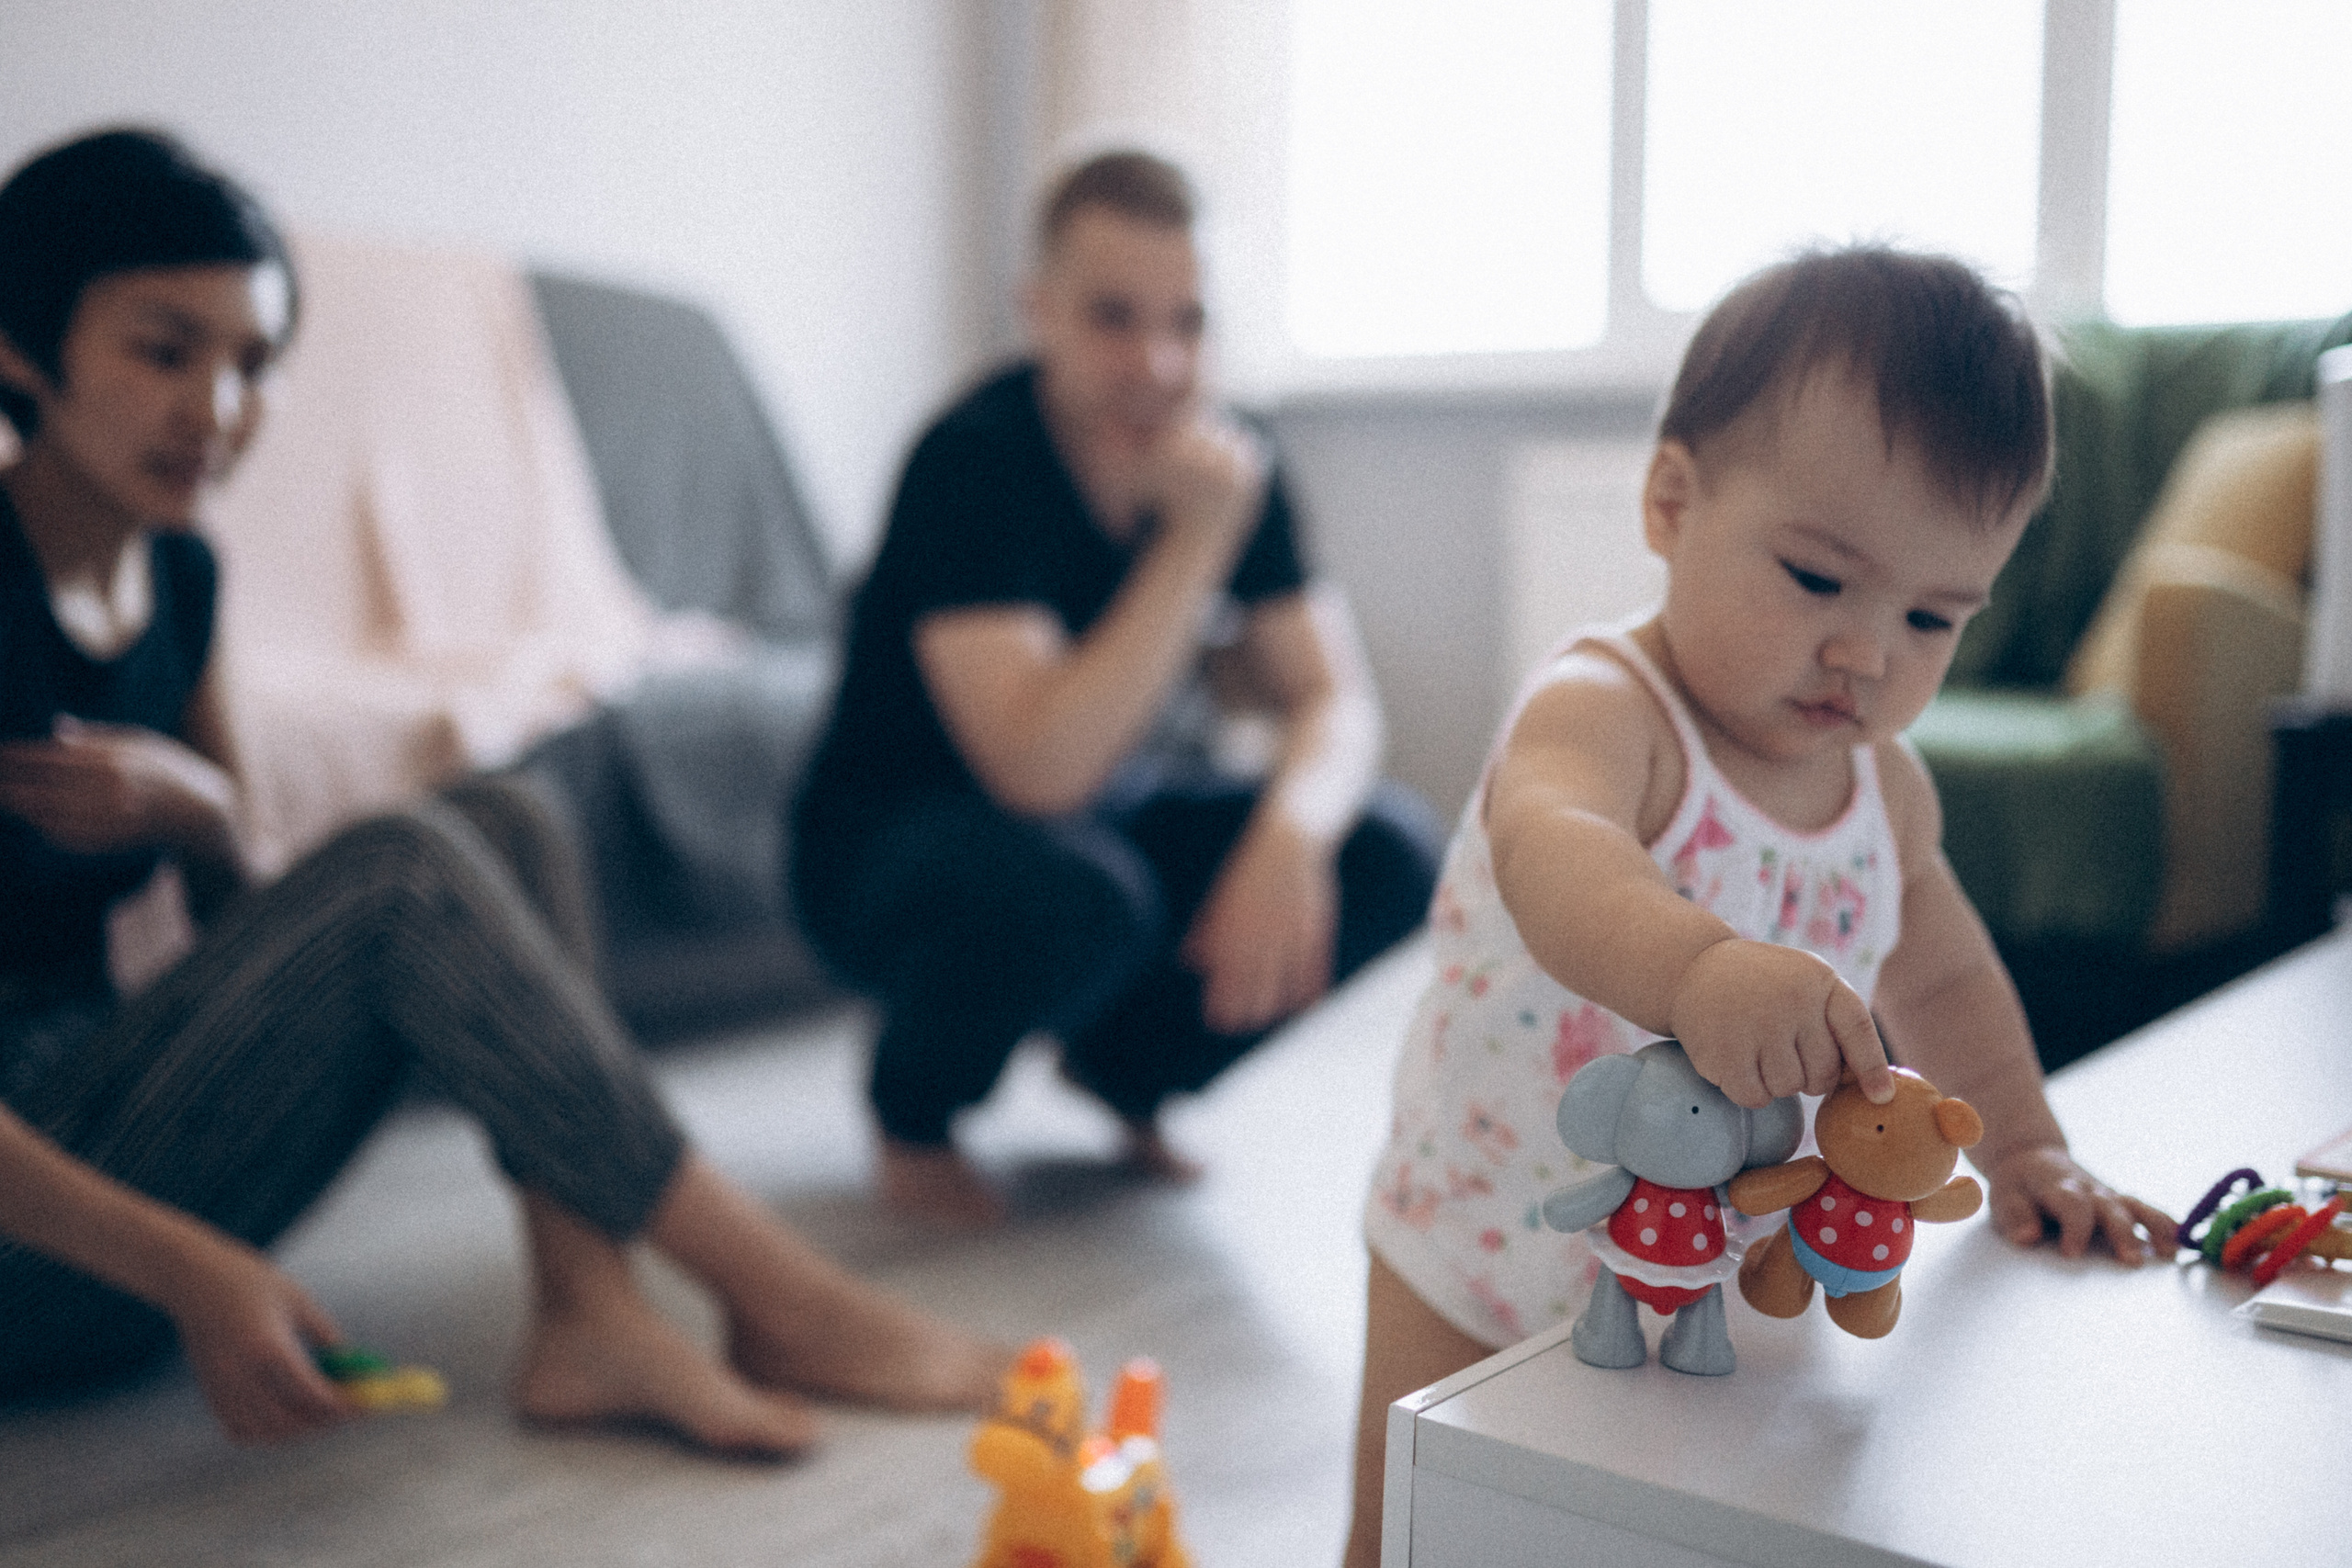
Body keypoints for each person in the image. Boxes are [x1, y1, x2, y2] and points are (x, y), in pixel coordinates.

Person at [0, 127, 1005, 1454]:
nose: (219, 408)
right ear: (21, 346)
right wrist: (195, 1269)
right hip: (39, 1240)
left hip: (119, 1120)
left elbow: (251, 913)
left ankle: (592, 1310)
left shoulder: (184, 575)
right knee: (402, 867)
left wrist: (193, 805)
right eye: (164, 348)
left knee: (509, 815)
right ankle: (782, 1295)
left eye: (252, 363)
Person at [1336, 246, 2181, 1566]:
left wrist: (2022, 1145)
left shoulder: (1882, 790)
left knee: (1656, 1533)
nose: (1867, 650)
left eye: (1930, 614)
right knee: (1413, 1534)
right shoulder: (1608, 708)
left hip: (1725, 1266)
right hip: (1486, 1238)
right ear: (1673, 500)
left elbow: (1946, 981)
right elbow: (1555, 854)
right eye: (1817, 579)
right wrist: (1695, 968)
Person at [791, 150, 1440, 1225]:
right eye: (1113, 318)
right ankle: (914, 1111)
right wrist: (1190, 547)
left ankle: (1125, 1072)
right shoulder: (973, 460)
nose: (1158, 361)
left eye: (1188, 323)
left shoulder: (1237, 457)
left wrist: (1287, 842)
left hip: (1094, 818)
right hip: (887, 843)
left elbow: (1339, 703)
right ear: (1035, 311)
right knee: (1076, 894)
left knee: (1389, 848)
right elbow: (1037, 771)